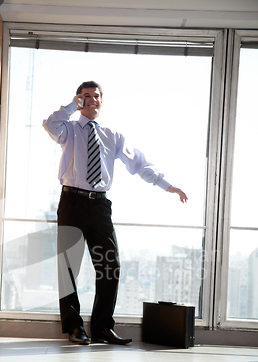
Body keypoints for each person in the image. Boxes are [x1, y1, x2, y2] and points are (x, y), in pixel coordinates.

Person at [43, 81, 188, 346]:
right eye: (86, 96)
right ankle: (74, 328)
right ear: (78, 99)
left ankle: (101, 327)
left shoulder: (112, 134)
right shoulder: (69, 129)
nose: (92, 100)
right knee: (68, 267)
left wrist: (167, 186)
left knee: (110, 266)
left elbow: (139, 163)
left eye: (96, 96)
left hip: (99, 205)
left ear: (101, 101)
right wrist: (70, 107)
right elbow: (49, 125)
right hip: (72, 202)